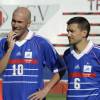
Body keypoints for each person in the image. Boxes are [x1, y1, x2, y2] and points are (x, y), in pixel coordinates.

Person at [0, 7, 66, 100]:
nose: (15, 25)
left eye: (20, 22)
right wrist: (9, 49)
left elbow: (61, 68)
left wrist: (45, 90)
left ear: (29, 23)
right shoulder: (3, 43)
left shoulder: (41, 43)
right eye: (13, 21)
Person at [63, 17, 100, 100]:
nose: (68, 35)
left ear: (84, 33)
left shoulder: (97, 53)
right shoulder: (67, 54)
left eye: (72, 31)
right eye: (67, 31)